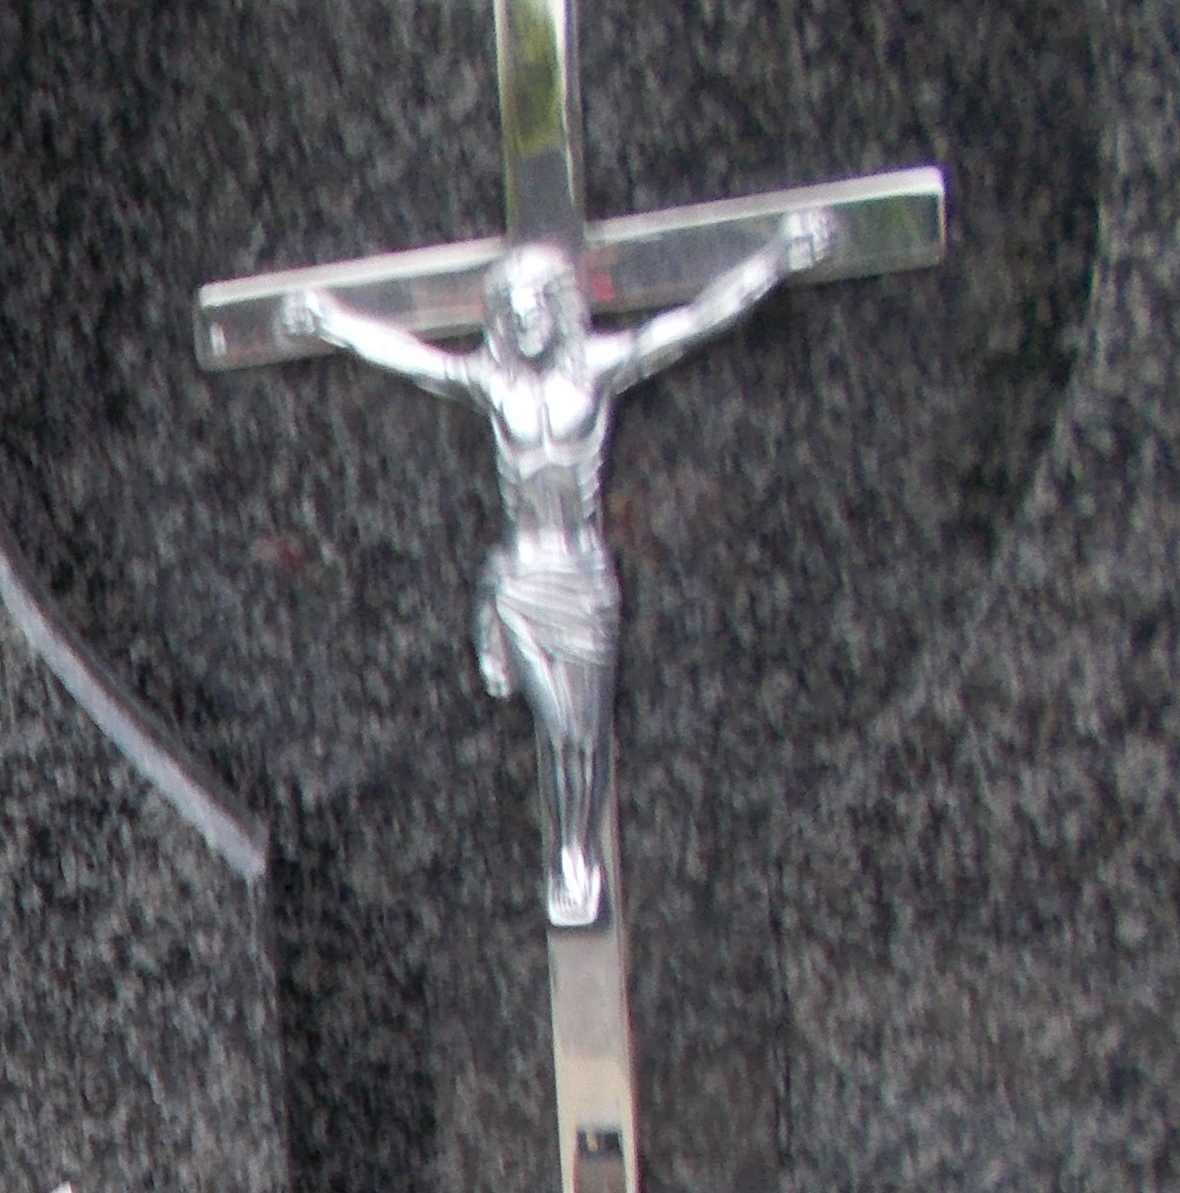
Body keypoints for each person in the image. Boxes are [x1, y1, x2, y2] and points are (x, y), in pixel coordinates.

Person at [277, 206, 836, 929]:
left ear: (559, 306)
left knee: (582, 733)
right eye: (510, 309)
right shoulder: (491, 383)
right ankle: (568, 846)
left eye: (535, 304)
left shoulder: (598, 369)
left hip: (582, 578)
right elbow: (410, 356)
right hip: (523, 578)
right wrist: (330, 322)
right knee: (558, 723)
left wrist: (778, 258)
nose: (524, 319)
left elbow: (695, 320)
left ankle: (576, 847)